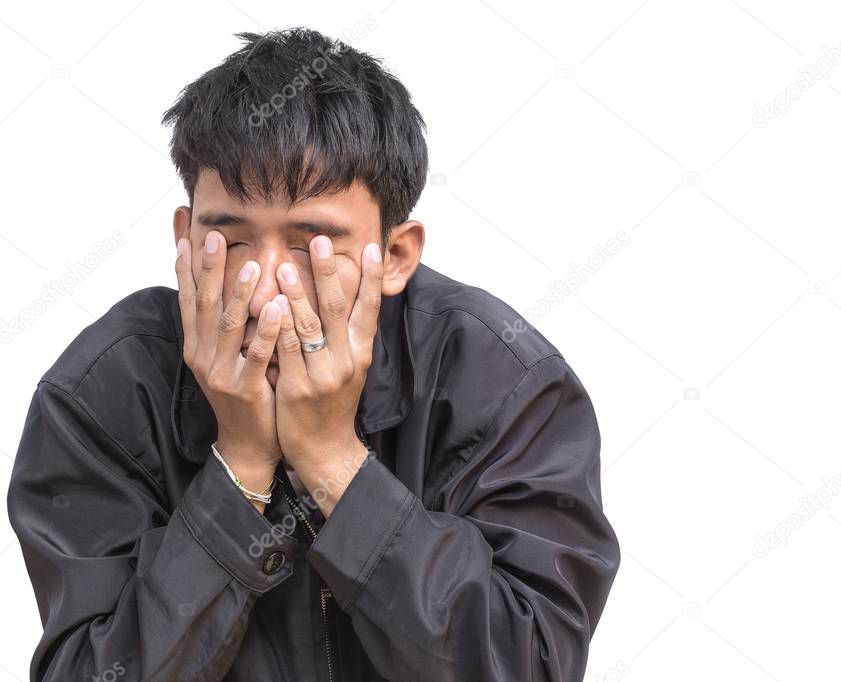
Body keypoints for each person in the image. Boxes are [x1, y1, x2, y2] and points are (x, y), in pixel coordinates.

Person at [7, 27, 619, 682]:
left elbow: (523, 668)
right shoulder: (104, 390)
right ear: (185, 238)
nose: (264, 286)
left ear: (395, 256)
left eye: (312, 243)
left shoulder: (504, 383)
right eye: (231, 239)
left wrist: (333, 460)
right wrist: (239, 466)